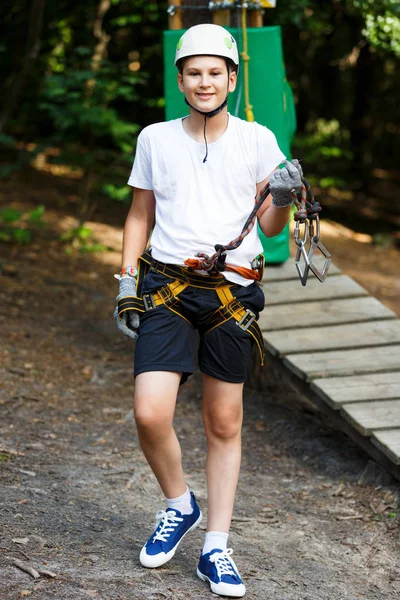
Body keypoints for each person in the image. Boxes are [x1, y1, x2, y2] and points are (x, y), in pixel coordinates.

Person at [115, 23, 302, 598]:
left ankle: (216, 547)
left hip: (231, 294)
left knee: (224, 422)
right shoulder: (155, 138)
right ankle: (179, 505)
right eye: (193, 72)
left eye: (215, 72)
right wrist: (126, 280)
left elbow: (270, 226)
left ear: (231, 77)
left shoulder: (256, 140)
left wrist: (285, 196)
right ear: (179, 79)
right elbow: (139, 215)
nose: (204, 81)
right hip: (167, 287)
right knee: (150, 412)